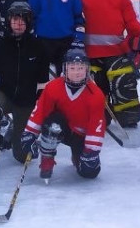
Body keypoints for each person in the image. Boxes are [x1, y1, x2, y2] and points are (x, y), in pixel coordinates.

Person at [0, 1, 50, 173]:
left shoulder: (39, 47)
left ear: (29, 22)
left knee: (22, 157)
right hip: (5, 94)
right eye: (15, 19)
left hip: (27, 101)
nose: (19, 23)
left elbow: (43, 83)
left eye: (23, 19)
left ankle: (15, 129)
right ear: (8, 21)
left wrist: (40, 107)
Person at [80, 0, 140, 130]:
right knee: (94, 87)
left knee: (122, 81)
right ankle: (99, 115)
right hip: (90, 54)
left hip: (116, 52)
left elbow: (133, 23)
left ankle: (128, 117)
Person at [20, 48, 106, 182]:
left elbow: (96, 126)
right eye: (72, 68)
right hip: (62, 129)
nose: (77, 72)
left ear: (87, 69)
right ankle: (47, 158)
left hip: (81, 135)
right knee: (53, 123)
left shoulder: (96, 95)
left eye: (80, 68)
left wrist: (91, 152)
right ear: (65, 69)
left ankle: (78, 156)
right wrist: (29, 134)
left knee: (89, 172)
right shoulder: (53, 87)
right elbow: (40, 111)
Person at [29, 0, 86, 75]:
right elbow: (30, 17)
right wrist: (32, 38)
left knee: (65, 78)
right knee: (42, 78)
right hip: (43, 42)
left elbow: (78, 18)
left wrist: (78, 38)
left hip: (66, 42)